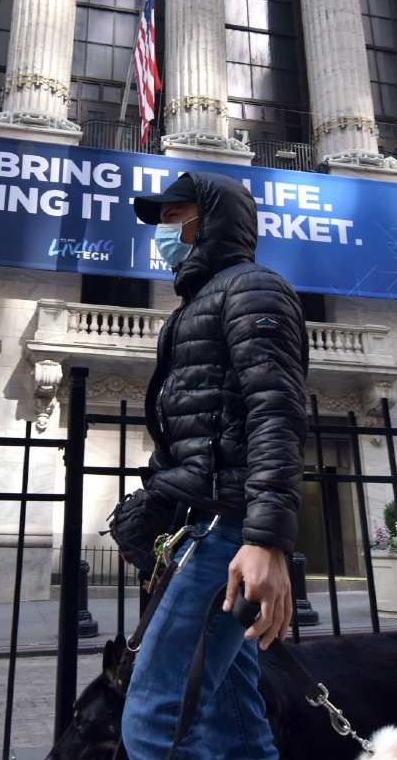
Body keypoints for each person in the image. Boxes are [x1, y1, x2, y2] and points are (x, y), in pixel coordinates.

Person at [121, 171, 308, 760]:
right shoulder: (191, 308)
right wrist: (155, 498)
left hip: (225, 532)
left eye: (174, 218)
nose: (163, 233)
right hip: (199, 524)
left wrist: (264, 539)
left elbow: (275, 413)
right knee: (234, 716)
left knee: (155, 718)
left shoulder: (255, 289)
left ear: (210, 220)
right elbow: (192, 432)